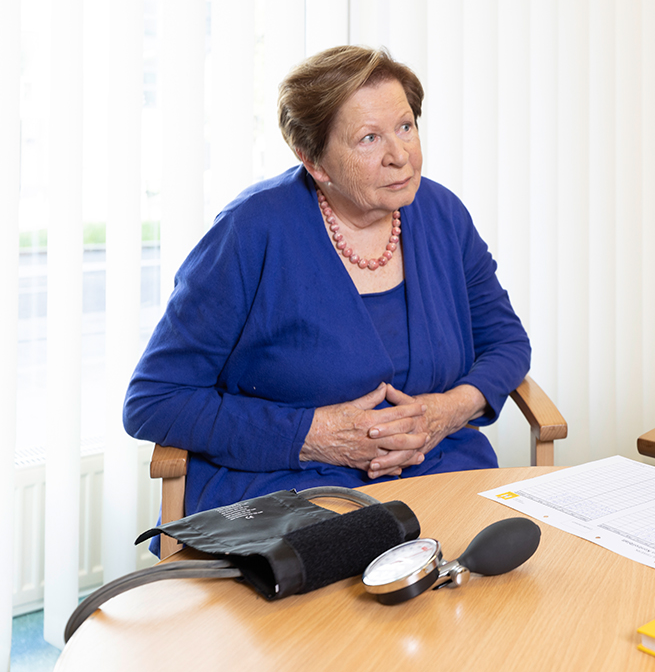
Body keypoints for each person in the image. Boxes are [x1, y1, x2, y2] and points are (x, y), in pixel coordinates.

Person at [125, 45, 530, 532]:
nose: (399, 156)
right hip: (293, 495)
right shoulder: (251, 231)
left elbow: (507, 343)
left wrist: (446, 411)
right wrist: (312, 434)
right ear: (315, 162)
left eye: (406, 127)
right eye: (368, 138)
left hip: (440, 478)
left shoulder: (443, 214)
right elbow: (155, 399)